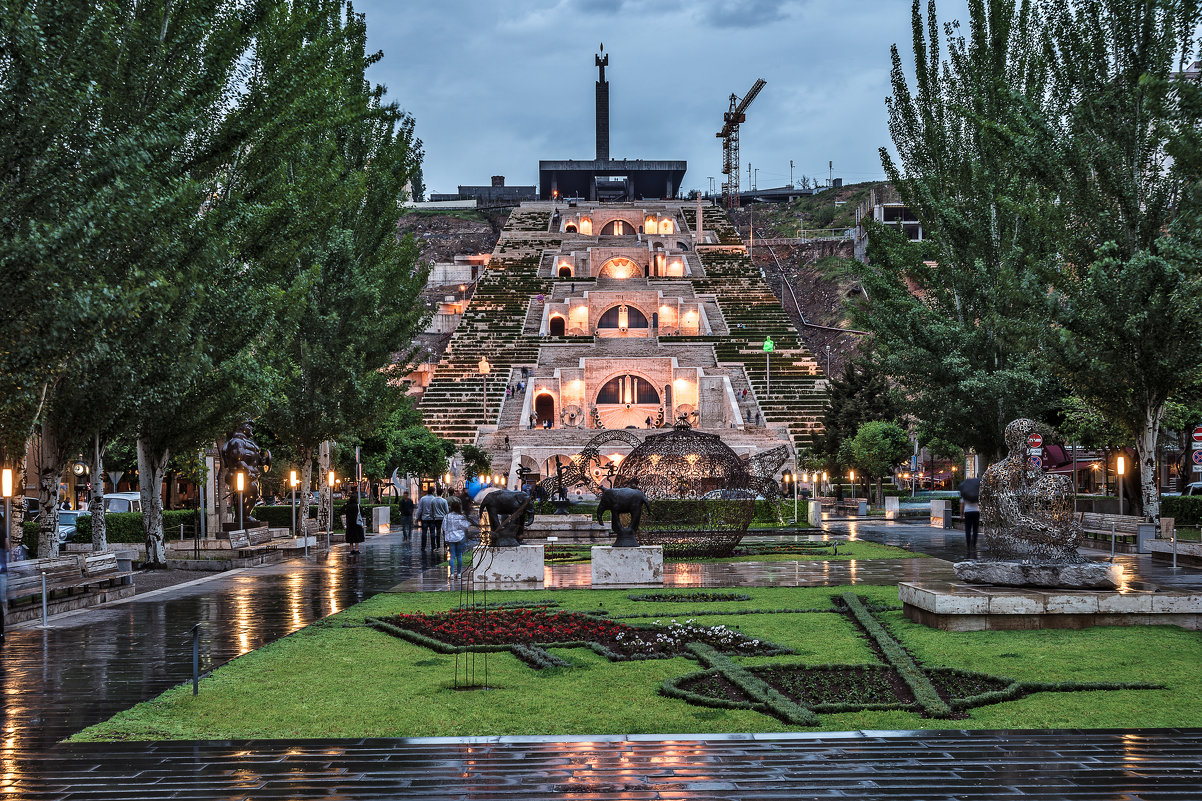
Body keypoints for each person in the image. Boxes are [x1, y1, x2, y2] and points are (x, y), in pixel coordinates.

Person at [442, 498, 479, 574]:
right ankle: (459, 573)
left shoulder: (447, 516)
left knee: (452, 556)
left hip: (451, 538)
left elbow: (444, 527)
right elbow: (465, 526)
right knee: (459, 556)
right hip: (460, 537)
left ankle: (452, 573)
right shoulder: (461, 517)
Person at [960, 476, 981, 553]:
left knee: (968, 529)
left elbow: (962, 504)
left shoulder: (965, 493)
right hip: (976, 511)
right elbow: (979, 503)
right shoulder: (976, 492)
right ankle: (974, 544)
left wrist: (961, 514)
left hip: (967, 512)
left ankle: (968, 543)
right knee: (975, 529)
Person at [344, 490, 365, 555]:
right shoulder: (357, 506)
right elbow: (362, 513)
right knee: (357, 536)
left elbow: (342, 511)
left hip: (349, 523)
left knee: (351, 536)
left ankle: (351, 549)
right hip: (357, 523)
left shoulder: (348, 506)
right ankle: (356, 549)